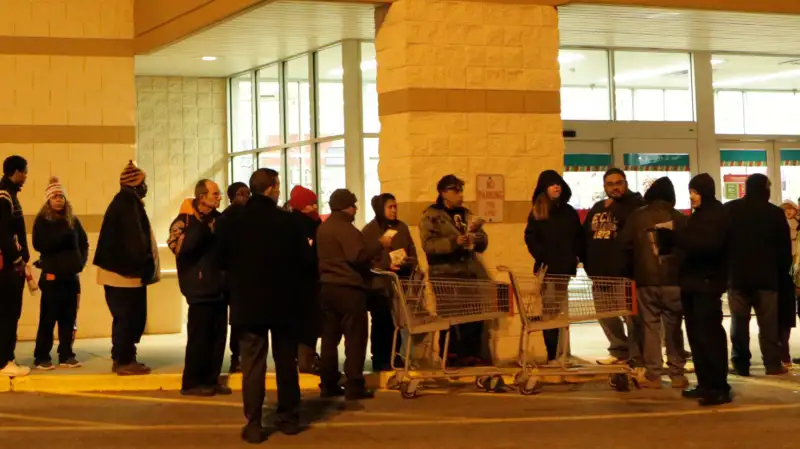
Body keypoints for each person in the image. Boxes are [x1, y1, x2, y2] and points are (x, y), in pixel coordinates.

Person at [217, 169, 311, 443]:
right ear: (270, 188)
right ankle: (289, 417)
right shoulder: (288, 222)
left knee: (253, 365)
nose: (279, 190)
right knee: (285, 362)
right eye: (278, 186)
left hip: (248, 304)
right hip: (283, 303)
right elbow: (305, 261)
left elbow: (221, 258)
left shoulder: (233, 221)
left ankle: (255, 423)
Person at [317, 188, 391, 399]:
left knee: (330, 339)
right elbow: (358, 255)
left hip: (327, 288)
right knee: (355, 338)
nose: (356, 208)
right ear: (345, 207)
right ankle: (354, 384)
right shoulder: (345, 228)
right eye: (353, 205)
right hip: (349, 289)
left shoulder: (324, 228)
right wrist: (379, 245)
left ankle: (329, 382)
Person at [94, 161, 160, 376]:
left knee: (124, 318)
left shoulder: (126, 202)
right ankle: (124, 361)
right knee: (128, 318)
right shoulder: (128, 204)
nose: (146, 186)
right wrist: (144, 267)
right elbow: (135, 243)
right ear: (135, 184)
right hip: (124, 275)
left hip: (121, 273)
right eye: (143, 182)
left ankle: (123, 356)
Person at [621, 177, 688, 389]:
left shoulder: (637, 216)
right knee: (674, 325)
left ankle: (654, 374)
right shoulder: (680, 219)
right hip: (674, 281)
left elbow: (624, 244)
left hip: (646, 280)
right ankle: (677, 372)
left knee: (650, 326)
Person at [168, 179, 231, 397]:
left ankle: (211, 379)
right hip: (199, 290)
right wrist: (201, 225)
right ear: (201, 197)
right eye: (214, 193)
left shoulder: (220, 219)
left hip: (220, 289)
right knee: (199, 338)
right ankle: (192, 382)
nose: (219, 197)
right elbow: (180, 248)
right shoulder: (183, 220)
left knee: (217, 338)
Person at [420, 175, 490, 367]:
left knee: (473, 314)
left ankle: (470, 354)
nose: (460, 195)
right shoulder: (431, 215)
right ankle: (449, 353)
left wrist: (474, 239)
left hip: (467, 272)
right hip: (444, 273)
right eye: (455, 190)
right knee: (449, 316)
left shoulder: (466, 214)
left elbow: (483, 240)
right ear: (443, 193)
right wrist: (453, 242)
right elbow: (428, 245)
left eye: (461, 190)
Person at [726, 174, 792, 376]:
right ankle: (772, 364)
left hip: (737, 277)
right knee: (768, 324)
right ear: (765, 188)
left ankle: (741, 364)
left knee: (739, 322)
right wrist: (781, 272)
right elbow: (785, 249)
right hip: (767, 278)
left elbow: (723, 242)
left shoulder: (730, 209)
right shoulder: (774, 213)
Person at [675, 174, 731, 406]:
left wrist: (677, 239)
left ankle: (719, 387)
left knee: (710, 336)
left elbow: (709, 245)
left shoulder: (717, 215)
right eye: (690, 191)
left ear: (706, 192)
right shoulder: (698, 216)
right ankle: (705, 383)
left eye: (695, 192)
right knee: (696, 336)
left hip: (707, 283)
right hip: (692, 283)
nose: (691, 196)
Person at [583, 168, 644, 366]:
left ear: (625, 183)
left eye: (619, 183)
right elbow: (585, 236)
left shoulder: (636, 206)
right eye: (610, 184)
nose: (615, 187)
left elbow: (634, 234)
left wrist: (615, 207)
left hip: (624, 274)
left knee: (631, 317)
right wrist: (588, 264)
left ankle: (637, 355)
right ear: (604, 187)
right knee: (605, 315)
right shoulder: (598, 207)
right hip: (599, 274)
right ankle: (619, 349)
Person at [524, 170, 584, 363]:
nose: (556, 186)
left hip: (565, 270)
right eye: (551, 184)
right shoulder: (538, 212)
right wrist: (543, 256)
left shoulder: (568, 212)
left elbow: (577, 236)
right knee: (550, 313)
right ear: (544, 188)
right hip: (548, 271)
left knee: (561, 312)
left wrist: (575, 256)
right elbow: (531, 238)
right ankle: (554, 354)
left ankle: (561, 352)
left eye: (558, 183)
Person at [32, 177, 89, 370]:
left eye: (61, 196)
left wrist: (80, 262)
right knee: (48, 319)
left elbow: (84, 243)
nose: (59, 200)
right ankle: (42, 356)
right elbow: (39, 244)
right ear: (48, 200)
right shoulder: (43, 221)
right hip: (52, 278)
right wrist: (62, 237)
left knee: (68, 318)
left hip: (70, 277)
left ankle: (66, 354)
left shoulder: (73, 221)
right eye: (55, 197)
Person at [362, 193, 418, 372]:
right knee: (381, 322)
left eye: (395, 206)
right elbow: (366, 257)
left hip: (399, 283)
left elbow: (412, 251)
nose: (394, 210)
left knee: (398, 322)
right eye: (390, 207)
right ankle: (380, 358)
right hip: (380, 285)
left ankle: (395, 356)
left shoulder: (402, 227)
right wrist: (387, 264)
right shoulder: (370, 230)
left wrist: (408, 262)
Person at [287, 185, 323, 375]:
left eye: (315, 204)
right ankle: (306, 359)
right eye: (310, 204)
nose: (314, 208)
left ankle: (306, 358)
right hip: (302, 285)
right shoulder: (298, 225)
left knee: (309, 323)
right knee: (306, 324)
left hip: (309, 283)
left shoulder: (315, 224)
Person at [0, 156, 31, 377]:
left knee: (10, 313)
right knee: (8, 313)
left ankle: (6, 357)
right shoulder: (4, 197)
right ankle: (4, 361)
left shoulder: (9, 195)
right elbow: (3, 235)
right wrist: (18, 260)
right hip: (7, 268)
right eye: (25, 172)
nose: (26, 177)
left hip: (11, 266)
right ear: (16, 172)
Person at [220, 181, 250, 374]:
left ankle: (241, 356)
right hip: (234, 276)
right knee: (238, 319)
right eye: (241, 194)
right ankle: (237, 356)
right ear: (231, 196)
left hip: (244, 275)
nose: (245, 197)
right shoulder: (228, 218)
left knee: (243, 319)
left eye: (247, 193)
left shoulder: (248, 217)